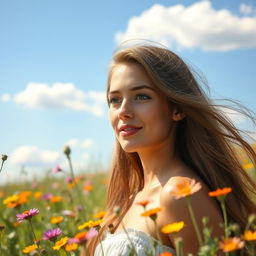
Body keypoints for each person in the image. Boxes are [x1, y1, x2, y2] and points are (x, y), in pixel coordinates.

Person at [86, 44, 256, 255]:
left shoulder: (179, 195)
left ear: (177, 109)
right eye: (115, 100)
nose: (123, 111)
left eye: (141, 96)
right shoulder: (128, 200)